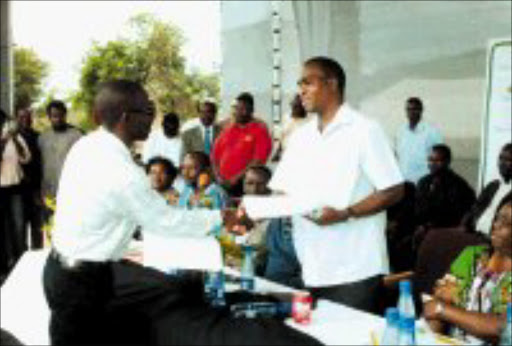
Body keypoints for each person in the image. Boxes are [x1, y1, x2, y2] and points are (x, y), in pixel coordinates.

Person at [43, 80, 318, 346]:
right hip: (84, 285)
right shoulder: (121, 171)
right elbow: (166, 221)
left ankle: (275, 306)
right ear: (126, 117)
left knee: (175, 293)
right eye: (148, 110)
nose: (153, 118)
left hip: (69, 271)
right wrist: (224, 218)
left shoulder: (88, 145)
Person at [252, 57, 405, 314]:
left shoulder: (364, 130)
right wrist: (250, 214)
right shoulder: (301, 137)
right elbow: (283, 194)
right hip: (310, 265)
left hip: (355, 268)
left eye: (307, 82)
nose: (300, 90)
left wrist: (346, 213)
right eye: (300, 84)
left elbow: (394, 190)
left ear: (332, 84)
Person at [422, 197, 511, 344]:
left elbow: (502, 328)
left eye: (507, 223)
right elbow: (437, 304)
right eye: (498, 218)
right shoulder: (472, 256)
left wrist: (443, 309)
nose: (496, 225)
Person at [413, 144, 476, 246]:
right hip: (421, 231)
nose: (432, 164)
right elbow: (417, 208)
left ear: (447, 162)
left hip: (444, 233)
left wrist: (428, 227)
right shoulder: (423, 182)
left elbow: (454, 215)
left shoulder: (459, 185)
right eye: (430, 160)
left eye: (437, 161)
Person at [212, 92, 273, 198]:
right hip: (222, 184)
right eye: (237, 108)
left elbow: (258, 161)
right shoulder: (227, 129)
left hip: (245, 185)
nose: (239, 112)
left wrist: (235, 179)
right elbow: (214, 156)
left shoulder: (260, 130)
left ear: (251, 111)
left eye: (244, 109)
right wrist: (218, 177)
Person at [1, 108, 32, 271]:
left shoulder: (16, 137)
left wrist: (14, 139)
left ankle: (22, 262)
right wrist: (4, 142)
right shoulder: (4, 139)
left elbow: (26, 159)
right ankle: (6, 264)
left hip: (16, 188)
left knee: (19, 226)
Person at [461, 143, 512, 236]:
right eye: (501, 158)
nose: (502, 163)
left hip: (497, 240)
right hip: (474, 233)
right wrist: (466, 223)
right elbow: (475, 207)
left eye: (508, 160)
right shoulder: (493, 185)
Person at [38, 100, 83, 201]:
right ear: (49, 117)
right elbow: (39, 164)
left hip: (70, 190)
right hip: (48, 189)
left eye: (60, 115)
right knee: (49, 216)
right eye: (54, 116)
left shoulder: (77, 135)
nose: (58, 119)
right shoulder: (43, 137)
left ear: (65, 115)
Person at [396, 97, 443, 185]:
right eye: (408, 109)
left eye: (414, 109)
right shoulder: (401, 131)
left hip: (423, 181)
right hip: (403, 180)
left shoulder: (431, 131)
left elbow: (440, 157)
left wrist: (437, 178)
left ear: (421, 110)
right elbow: (399, 155)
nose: (411, 112)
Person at [16, 107, 43, 249]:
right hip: (18, 189)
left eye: (27, 117)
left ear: (31, 119)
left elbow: (41, 163)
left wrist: (39, 189)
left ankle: (37, 253)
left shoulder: (39, 137)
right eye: (21, 117)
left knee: (37, 225)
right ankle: (22, 256)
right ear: (17, 119)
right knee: (20, 226)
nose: (25, 120)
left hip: (35, 188)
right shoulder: (12, 138)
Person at [272, 94, 311, 162]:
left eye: (297, 107)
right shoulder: (286, 117)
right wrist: (277, 152)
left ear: (303, 107)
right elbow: (282, 136)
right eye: (293, 106)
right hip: (286, 155)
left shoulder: (310, 121)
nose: (293, 109)